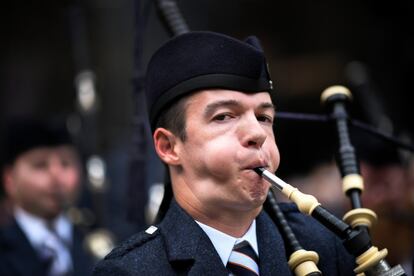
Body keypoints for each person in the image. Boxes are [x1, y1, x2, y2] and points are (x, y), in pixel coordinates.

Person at [93, 31, 356, 275]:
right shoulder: (132, 270)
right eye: (224, 117)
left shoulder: (323, 243)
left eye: (264, 117)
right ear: (168, 147)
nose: (257, 134)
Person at [0, 118, 94, 276]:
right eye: (40, 165)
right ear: (10, 179)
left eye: (65, 163)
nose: (56, 176)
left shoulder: (94, 240)